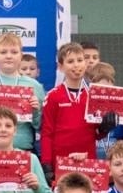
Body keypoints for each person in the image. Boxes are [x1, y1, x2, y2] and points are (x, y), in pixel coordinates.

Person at [0, 31, 46, 152]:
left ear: (21, 55)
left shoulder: (34, 86)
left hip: (23, 151)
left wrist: (36, 111)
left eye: (14, 52)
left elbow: (41, 127)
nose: (9, 56)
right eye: (3, 52)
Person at [40, 41, 95, 172]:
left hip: (87, 159)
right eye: (70, 61)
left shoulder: (94, 94)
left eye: (80, 60)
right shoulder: (53, 96)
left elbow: (97, 133)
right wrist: (46, 162)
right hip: (60, 161)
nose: (76, 65)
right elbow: (47, 132)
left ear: (86, 63)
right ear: (60, 67)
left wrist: (105, 127)